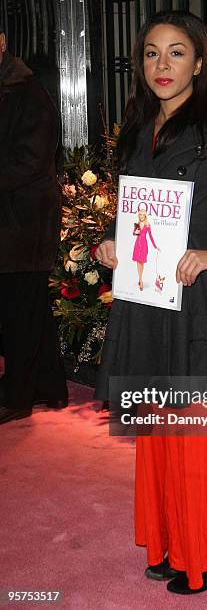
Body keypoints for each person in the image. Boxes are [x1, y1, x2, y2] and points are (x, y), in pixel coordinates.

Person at [95, 11, 207, 595]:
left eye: (176, 53)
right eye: (151, 53)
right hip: (146, 303)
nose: (162, 66)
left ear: (200, 61)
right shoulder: (138, 126)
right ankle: (172, 538)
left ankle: (202, 555)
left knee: (199, 432)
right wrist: (111, 243)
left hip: (199, 305)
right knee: (160, 430)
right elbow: (136, 213)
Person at [0, 25, 68, 424]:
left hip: (23, 223)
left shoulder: (28, 92)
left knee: (18, 310)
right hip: (11, 221)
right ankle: (48, 385)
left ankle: (19, 396)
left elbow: (31, 159)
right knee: (31, 309)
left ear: (3, 41)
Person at [132, 210, 160, 290]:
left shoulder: (147, 225)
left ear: (145, 216)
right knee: (138, 262)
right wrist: (135, 232)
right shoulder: (137, 224)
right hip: (137, 244)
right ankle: (140, 280)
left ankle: (140, 279)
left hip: (144, 245)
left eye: (142, 215)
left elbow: (150, 236)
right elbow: (134, 233)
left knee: (142, 262)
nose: (141, 216)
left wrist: (155, 246)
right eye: (140, 215)